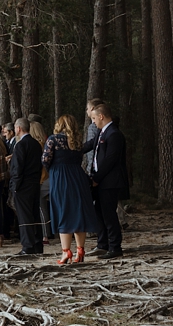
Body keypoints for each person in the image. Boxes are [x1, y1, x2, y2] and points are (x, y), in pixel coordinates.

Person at [43, 114, 102, 264]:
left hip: (60, 178)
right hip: (78, 178)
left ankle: (66, 252)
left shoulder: (53, 139)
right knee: (78, 213)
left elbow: (45, 159)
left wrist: (53, 169)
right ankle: (80, 250)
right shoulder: (76, 142)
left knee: (63, 211)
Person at [80, 102, 129, 258]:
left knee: (109, 214)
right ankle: (103, 243)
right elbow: (89, 146)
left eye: (94, 118)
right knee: (98, 212)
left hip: (110, 182)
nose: (93, 121)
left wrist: (97, 178)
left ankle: (115, 247)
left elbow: (110, 160)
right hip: (100, 181)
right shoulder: (102, 133)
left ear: (101, 116)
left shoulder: (114, 134)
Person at [9, 119, 43, 256]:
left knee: (24, 216)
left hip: (23, 185)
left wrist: (15, 186)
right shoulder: (36, 144)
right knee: (34, 214)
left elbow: (17, 168)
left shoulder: (21, 145)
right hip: (35, 183)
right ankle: (37, 243)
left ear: (18, 129)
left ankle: (27, 245)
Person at [30, 120, 53, 243]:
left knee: (41, 207)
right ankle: (46, 233)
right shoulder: (46, 143)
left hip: (43, 179)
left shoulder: (37, 145)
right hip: (48, 178)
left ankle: (44, 234)